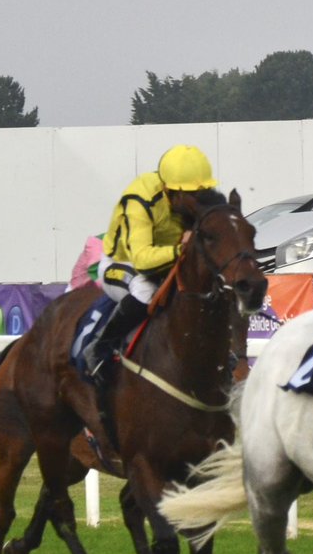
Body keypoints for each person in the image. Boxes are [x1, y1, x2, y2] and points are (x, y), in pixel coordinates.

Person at [81, 145, 217, 386]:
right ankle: (99, 348)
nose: (197, 202)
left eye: (202, 193)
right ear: (170, 191)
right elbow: (143, 260)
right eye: (191, 195)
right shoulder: (139, 200)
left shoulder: (192, 198)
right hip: (122, 263)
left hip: (168, 263)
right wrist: (181, 249)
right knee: (146, 290)